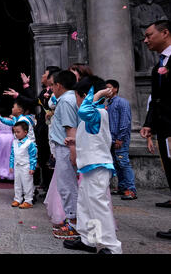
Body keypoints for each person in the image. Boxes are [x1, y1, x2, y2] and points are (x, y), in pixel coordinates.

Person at [63, 76, 122, 254]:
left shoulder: (95, 112)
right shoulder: (93, 115)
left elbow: (84, 111)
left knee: (98, 205)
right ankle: (90, 240)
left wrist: (97, 94)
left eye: (77, 97)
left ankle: (113, 247)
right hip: (89, 167)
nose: (77, 102)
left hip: (97, 167)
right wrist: (75, 141)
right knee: (86, 205)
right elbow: (92, 137)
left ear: (85, 95)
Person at [140, 20, 171, 240]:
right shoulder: (157, 66)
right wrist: (148, 123)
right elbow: (155, 99)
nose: (145, 40)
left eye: (149, 35)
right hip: (164, 128)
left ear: (165, 33)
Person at [49, 70, 80, 239]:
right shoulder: (69, 99)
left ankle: (74, 224)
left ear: (58, 85)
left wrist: (73, 151)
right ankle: (72, 220)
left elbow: (70, 128)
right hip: (65, 147)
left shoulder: (66, 101)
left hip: (66, 148)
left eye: (52, 85)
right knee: (66, 185)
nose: (51, 88)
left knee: (67, 185)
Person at [105, 79, 137, 200]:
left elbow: (125, 122)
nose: (107, 90)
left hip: (120, 139)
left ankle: (131, 189)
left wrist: (120, 138)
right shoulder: (109, 103)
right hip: (111, 139)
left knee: (123, 163)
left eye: (109, 87)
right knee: (117, 164)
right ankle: (122, 187)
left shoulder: (121, 102)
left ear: (115, 89)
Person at [10, 121, 37, 209]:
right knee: (17, 183)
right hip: (17, 165)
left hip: (26, 166)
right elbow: (12, 155)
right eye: (15, 132)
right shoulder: (14, 142)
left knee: (27, 184)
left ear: (25, 132)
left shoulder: (30, 143)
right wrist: (11, 165)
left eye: (18, 132)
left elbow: (33, 157)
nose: (16, 134)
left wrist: (32, 167)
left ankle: (28, 200)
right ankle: (17, 199)